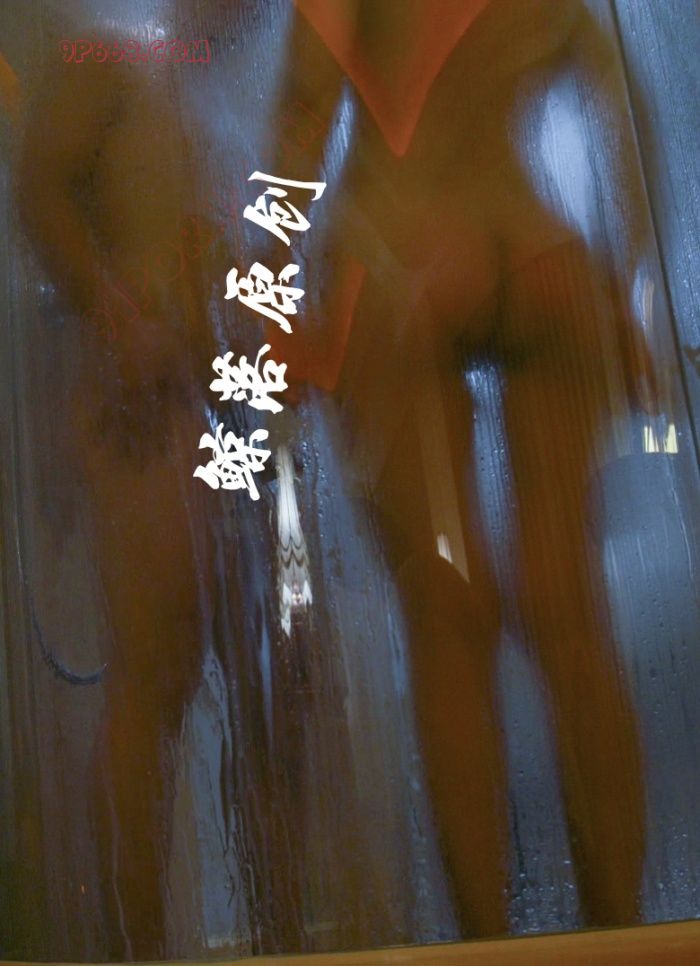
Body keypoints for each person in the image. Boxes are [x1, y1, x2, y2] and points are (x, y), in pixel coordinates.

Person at [265, 0, 656, 936]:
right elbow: (621, 106)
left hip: (397, 255)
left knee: (448, 611)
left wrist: (271, 308)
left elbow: (298, 131)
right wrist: (631, 286)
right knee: (569, 607)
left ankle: (485, 943)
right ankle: (623, 937)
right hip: (540, 252)